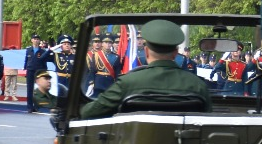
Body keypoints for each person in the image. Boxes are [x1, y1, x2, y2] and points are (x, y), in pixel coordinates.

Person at [81, 19, 214, 119]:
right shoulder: (198, 86)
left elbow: (89, 112)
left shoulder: (127, 83)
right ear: (176, 53)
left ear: (146, 52)